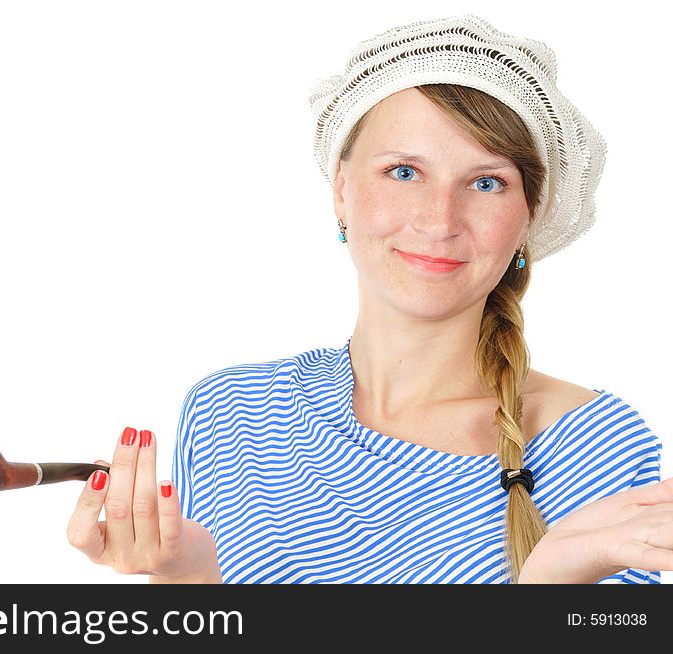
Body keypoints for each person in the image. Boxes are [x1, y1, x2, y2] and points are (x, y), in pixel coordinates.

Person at [66, 14, 673, 584]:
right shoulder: (232, 412)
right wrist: (187, 577)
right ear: (340, 192)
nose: (440, 220)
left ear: (527, 219)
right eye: (404, 171)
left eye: (486, 183)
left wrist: (546, 592)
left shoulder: (594, 440)